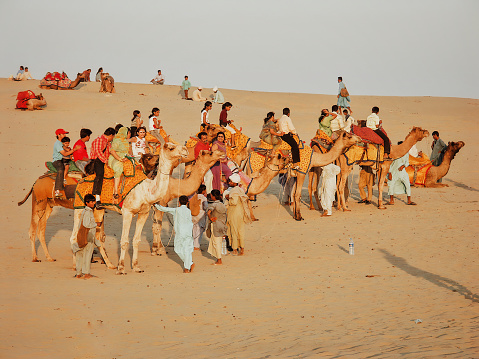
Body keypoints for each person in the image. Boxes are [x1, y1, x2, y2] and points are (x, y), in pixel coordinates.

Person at [155, 196, 195, 273]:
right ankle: (189, 264)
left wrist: (156, 205)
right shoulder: (188, 211)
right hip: (188, 233)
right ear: (187, 202)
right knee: (186, 250)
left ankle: (187, 267)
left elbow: (164, 209)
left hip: (180, 233)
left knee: (178, 249)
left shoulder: (177, 210)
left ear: (179, 202)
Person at [71, 194, 100, 279]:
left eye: (94, 201)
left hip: (81, 236)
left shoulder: (84, 211)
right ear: (87, 203)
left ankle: (78, 273)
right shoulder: (88, 212)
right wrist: (96, 224)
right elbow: (86, 224)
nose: (93, 203)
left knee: (80, 254)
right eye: (92, 202)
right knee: (87, 254)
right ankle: (86, 273)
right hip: (88, 236)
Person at [225, 174, 251, 256]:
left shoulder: (233, 191)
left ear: (234, 182)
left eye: (231, 181)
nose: (230, 182)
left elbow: (234, 202)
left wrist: (227, 198)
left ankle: (235, 249)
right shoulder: (241, 190)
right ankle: (242, 249)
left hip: (234, 213)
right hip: (241, 213)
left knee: (234, 230)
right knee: (241, 230)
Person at [90, 127, 116, 209]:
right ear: (111, 135)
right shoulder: (99, 140)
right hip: (97, 161)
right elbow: (98, 152)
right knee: (100, 175)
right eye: (113, 136)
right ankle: (97, 199)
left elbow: (109, 153)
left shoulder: (108, 142)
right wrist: (106, 161)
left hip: (105, 161)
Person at [52, 129, 80, 198]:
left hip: (63, 160)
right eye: (63, 134)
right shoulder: (58, 143)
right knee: (61, 169)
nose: (65, 135)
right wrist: (74, 150)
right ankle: (57, 190)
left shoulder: (62, 143)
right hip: (58, 161)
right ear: (58, 135)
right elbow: (64, 154)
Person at [387, 141, 416, 206]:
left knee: (407, 185)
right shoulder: (394, 153)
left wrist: (403, 166)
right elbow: (389, 163)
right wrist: (389, 172)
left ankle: (409, 200)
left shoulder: (406, 153)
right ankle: (391, 201)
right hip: (394, 171)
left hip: (403, 172)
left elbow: (407, 162)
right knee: (391, 185)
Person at [108, 127, 131, 203]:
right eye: (128, 133)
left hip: (125, 158)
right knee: (119, 168)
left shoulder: (126, 141)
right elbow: (112, 151)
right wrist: (120, 159)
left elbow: (128, 152)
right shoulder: (117, 140)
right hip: (115, 158)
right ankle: (115, 192)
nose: (129, 134)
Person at [206, 189, 227, 265]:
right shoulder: (222, 205)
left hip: (215, 225)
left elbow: (209, 212)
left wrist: (210, 217)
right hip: (222, 225)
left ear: (213, 196)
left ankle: (219, 260)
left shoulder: (214, 205)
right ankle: (218, 258)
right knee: (219, 241)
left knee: (216, 242)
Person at [191, 185, 208, 250]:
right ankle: (196, 246)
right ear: (203, 190)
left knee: (194, 229)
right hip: (200, 215)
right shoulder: (203, 198)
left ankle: (194, 245)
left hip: (193, 214)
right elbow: (205, 207)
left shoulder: (194, 197)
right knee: (199, 230)